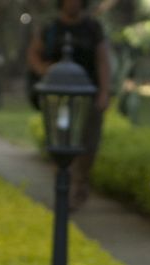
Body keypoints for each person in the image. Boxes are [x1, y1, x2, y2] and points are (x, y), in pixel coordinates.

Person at [27, 0, 111, 210]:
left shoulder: (92, 29)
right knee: (61, 142)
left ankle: (80, 186)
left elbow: (103, 60)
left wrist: (104, 92)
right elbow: (33, 54)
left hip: (87, 97)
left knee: (88, 144)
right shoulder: (51, 28)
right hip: (59, 99)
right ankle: (63, 190)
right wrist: (44, 70)